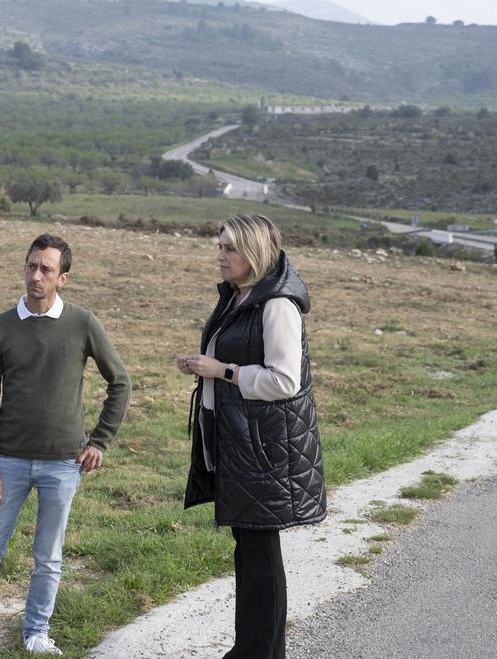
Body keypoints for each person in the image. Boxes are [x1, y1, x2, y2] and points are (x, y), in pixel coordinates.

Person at [0, 234, 131, 657]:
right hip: (7, 462)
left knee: (49, 556)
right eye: (31, 266)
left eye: (46, 269)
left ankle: (37, 633)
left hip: (64, 463)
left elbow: (121, 382)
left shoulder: (83, 323)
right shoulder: (1, 326)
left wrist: (100, 441)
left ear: (64, 278)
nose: (35, 275)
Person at [176, 214, 327, 659]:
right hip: (240, 442)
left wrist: (222, 371)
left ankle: (260, 652)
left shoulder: (277, 303)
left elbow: (285, 381)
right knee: (250, 552)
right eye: (219, 246)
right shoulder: (242, 296)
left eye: (229, 248)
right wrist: (204, 365)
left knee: (260, 556)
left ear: (254, 252)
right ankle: (254, 649)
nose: (220, 255)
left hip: (262, 449)